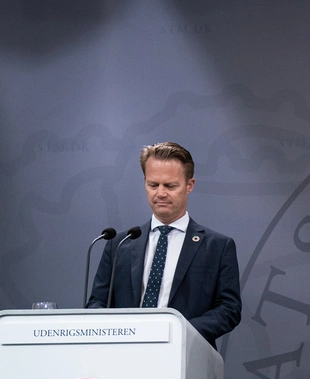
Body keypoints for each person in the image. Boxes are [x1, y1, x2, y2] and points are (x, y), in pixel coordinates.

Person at [88, 142, 242, 348]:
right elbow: (97, 303)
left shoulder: (217, 247)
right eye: (153, 185)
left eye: (170, 186)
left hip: (185, 355)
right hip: (122, 355)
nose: (160, 193)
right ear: (144, 182)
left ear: (189, 185)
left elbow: (229, 309)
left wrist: (178, 331)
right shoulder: (120, 244)